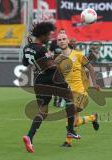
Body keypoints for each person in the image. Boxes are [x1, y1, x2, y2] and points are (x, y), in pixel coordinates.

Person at [22, 22, 80, 153]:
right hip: (52, 77)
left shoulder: (27, 48)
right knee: (70, 99)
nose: (49, 37)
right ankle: (70, 131)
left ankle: (29, 136)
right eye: (48, 35)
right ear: (42, 35)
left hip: (38, 81)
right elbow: (50, 66)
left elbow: (25, 63)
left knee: (43, 111)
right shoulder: (41, 49)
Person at [55, 33, 100, 147]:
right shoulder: (58, 60)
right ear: (57, 42)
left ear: (68, 41)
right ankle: (92, 118)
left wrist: (94, 84)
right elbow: (57, 77)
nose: (62, 41)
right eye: (59, 39)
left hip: (80, 91)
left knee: (70, 115)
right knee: (73, 122)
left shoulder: (78, 55)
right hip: (68, 93)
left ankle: (68, 141)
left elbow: (90, 67)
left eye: (64, 39)